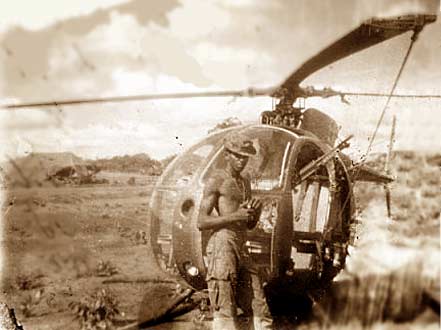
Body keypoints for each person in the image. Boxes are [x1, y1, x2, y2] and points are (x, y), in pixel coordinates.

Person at [198, 133, 273, 330]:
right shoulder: (217, 180)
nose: (241, 161)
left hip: (241, 244)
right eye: (237, 155)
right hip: (222, 244)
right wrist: (235, 216)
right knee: (225, 308)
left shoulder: (244, 182)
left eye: (245, 157)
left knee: (259, 305)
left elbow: (248, 224)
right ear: (227, 155)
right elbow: (201, 221)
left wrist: (256, 212)